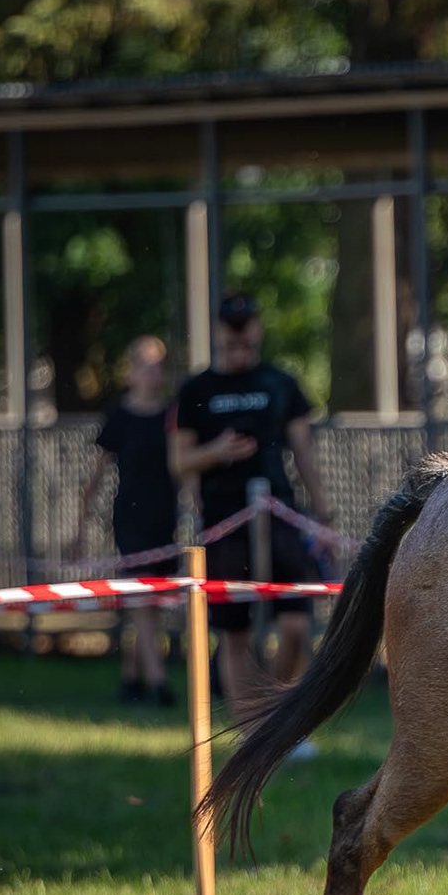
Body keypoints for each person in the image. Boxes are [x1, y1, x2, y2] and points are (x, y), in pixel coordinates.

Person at [171, 292, 334, 734]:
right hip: (225, 521)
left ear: (258, 328)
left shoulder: (281, 383)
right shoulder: (196, 389)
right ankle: (246, 732)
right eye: (231, 325)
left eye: (247, 324)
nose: (240, 333)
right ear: (220, 331)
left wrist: (322, 512)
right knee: (235, 631)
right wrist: (216, 451)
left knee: (298, 623)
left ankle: (276, 720)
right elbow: (180, 460)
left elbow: (303, 450)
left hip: (280, 513)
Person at [71, 336, 179, 704]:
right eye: (146, 365)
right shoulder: (118, 416)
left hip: (165, 517)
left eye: (158, 365)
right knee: (141, 600)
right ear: (131, 370)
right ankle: (159, 683)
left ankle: (131, 676)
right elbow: (96, 476)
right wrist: (80, 527)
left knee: (152, 603)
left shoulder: (173, 416)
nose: (153, 372)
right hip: (130, 519)